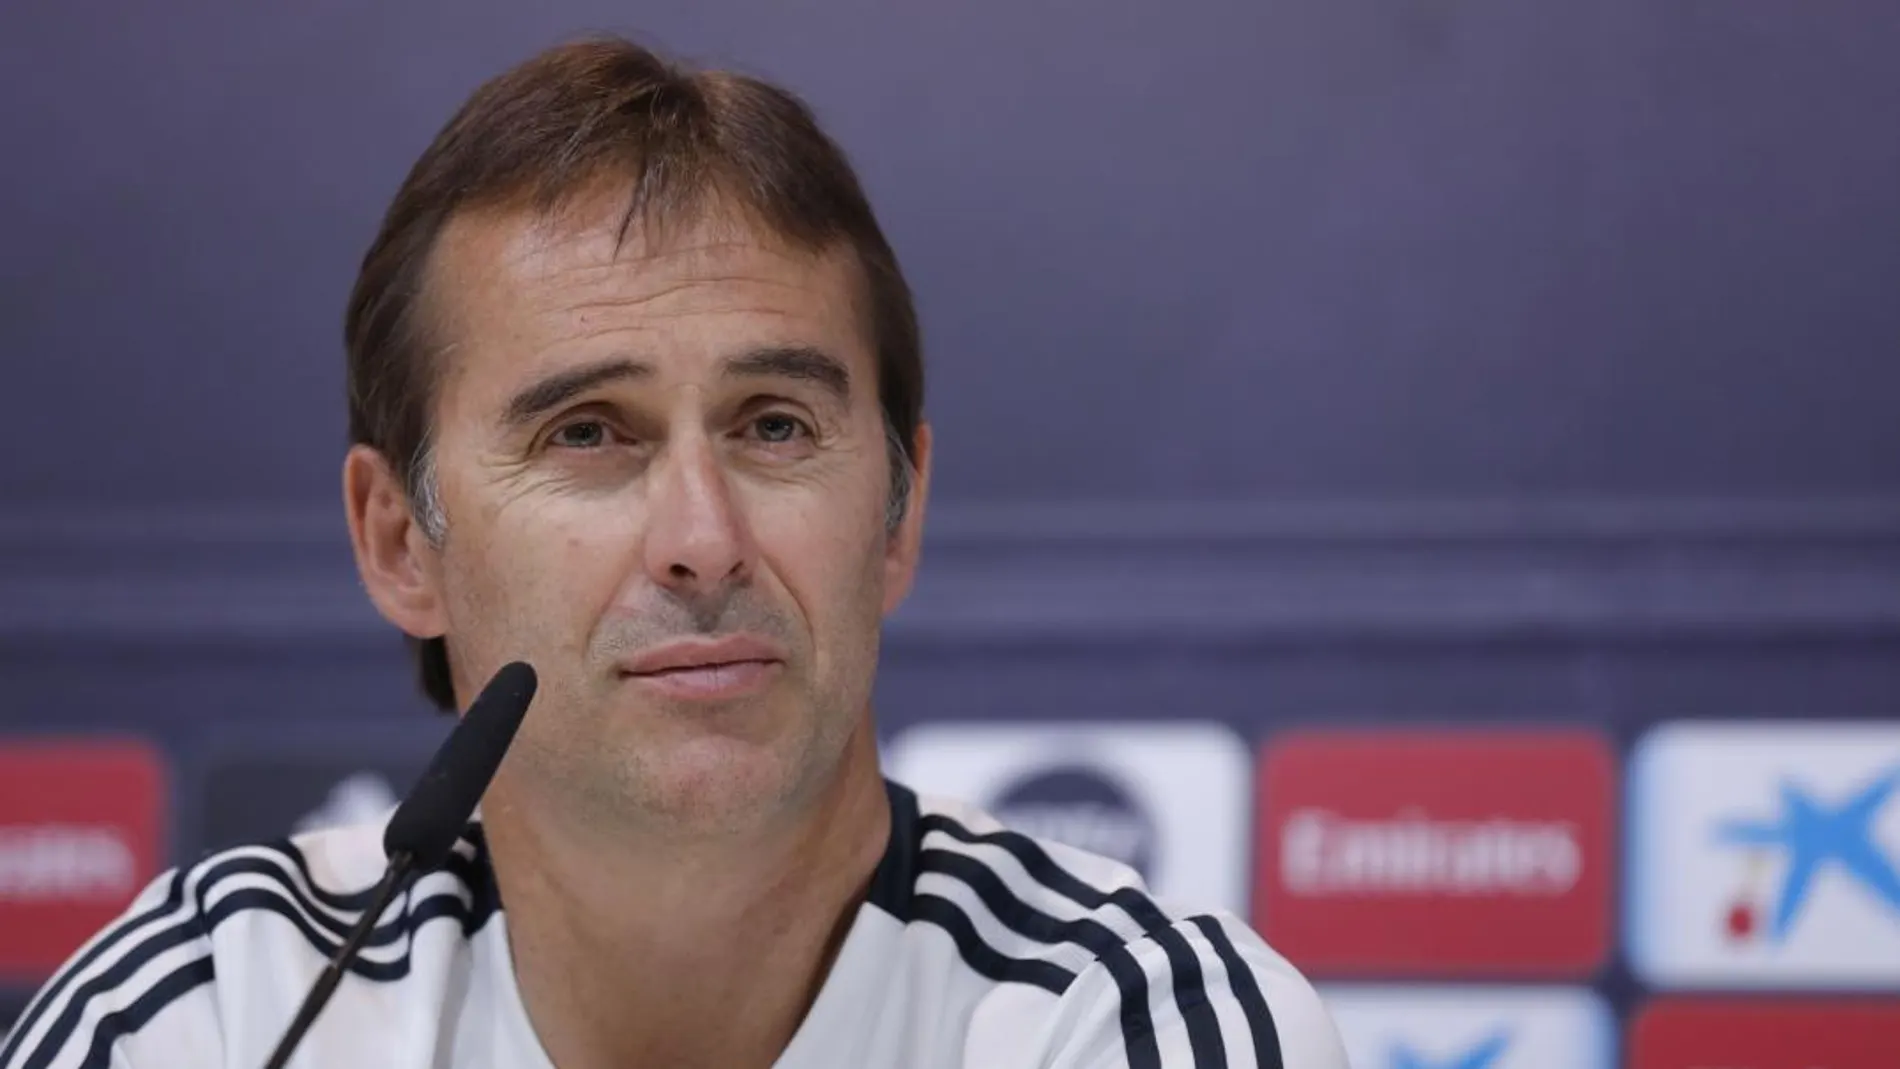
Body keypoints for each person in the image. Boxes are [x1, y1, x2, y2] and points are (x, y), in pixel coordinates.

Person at [0, 35, 1347, 1069]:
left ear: (900, 513)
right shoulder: (218, 1016)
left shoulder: (1131, 1030)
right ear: (399, 542)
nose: (704, 543)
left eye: (775, 426)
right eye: (589, 433)